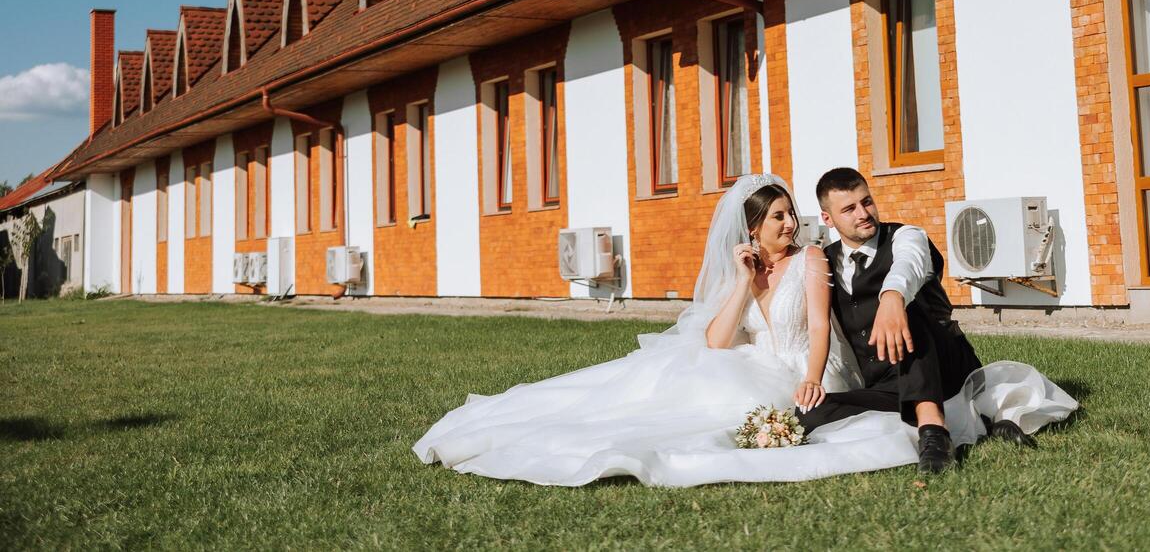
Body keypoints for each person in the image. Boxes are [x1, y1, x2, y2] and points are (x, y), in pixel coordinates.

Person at [413, 173, 1072, 486]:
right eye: (778, 219)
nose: (789, 227)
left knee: (770, 409)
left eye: (791, 216)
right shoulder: (758, 266)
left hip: (809, 368)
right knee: (675, 389)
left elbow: (819, 327)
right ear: (752, 230)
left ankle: (935, 424)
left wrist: (814, 373)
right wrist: (741, 282)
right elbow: (715, 342)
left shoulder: (818, 260)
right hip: (756, 362)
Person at [796, 167, 1076, 472]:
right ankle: (982, 423)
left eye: (867, 202)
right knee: (809, 414)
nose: (864, 213)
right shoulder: (826, 260)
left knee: (911, 308)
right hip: (887, 383)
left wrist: (893, 297)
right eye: (849, 209)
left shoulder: (907, 236)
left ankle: (934, 434)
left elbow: (909, 265)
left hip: (944, 365)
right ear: (827, 219)